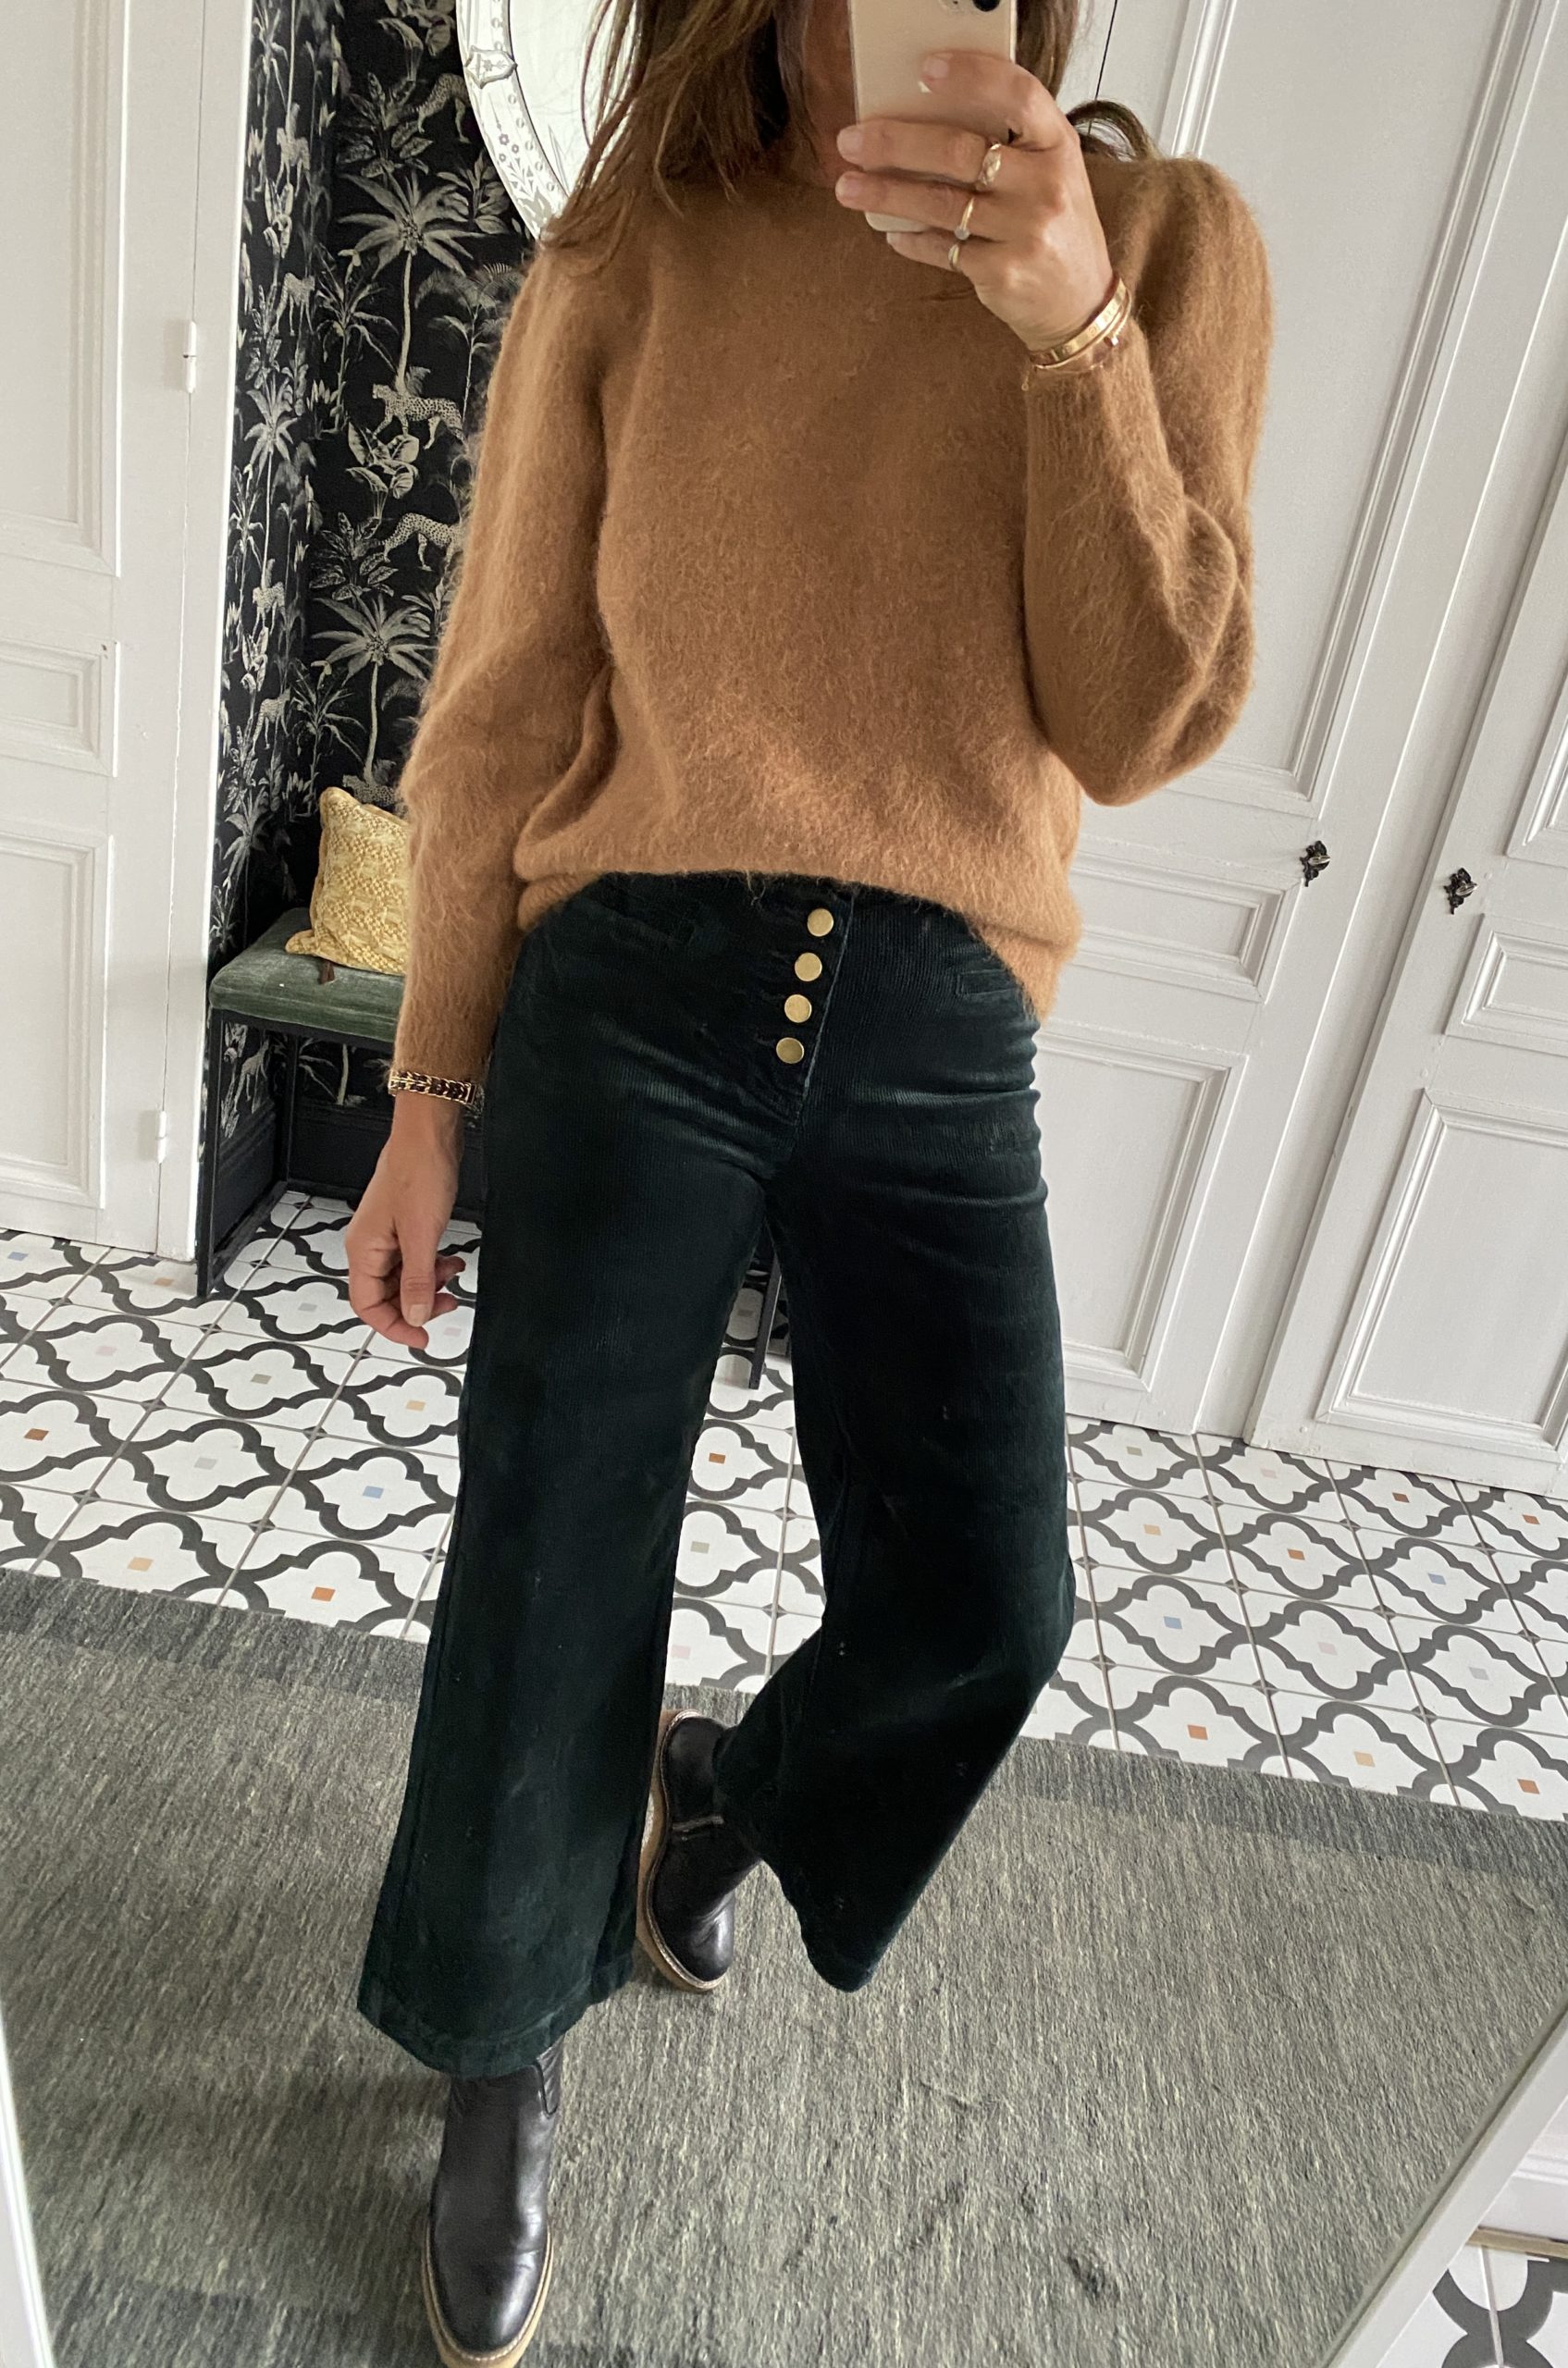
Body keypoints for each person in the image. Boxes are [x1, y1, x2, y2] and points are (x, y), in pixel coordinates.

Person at [342, 0, 1273, 2355]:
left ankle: (717, 1802)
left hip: (938, 1005)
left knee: (985, 1597)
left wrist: (1069, 329)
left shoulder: (1162, 243)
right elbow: (505, 694)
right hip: (634, 976)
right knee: (550, 1557)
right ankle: (499, 2046)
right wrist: (428, 1086)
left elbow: (1143, 715)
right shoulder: (633, 250)